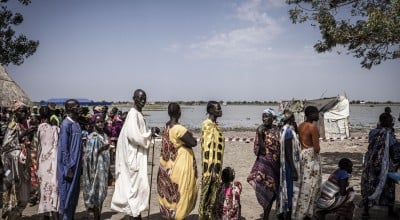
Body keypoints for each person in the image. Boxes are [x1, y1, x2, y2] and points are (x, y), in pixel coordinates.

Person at [111, 89, 160, 220]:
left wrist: (150, 132)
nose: (143, 100)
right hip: (133, 159)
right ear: (134, 98)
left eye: (144, 98)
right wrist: (150, 133)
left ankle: (136, 215)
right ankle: (134, 215)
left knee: (138, 188)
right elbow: (135, 137)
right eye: (140, 98)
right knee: (134, 188)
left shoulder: (137, 114)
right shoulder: (133, 114)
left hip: (136, 157)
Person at [157, 102, 199, 219]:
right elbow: (193, 142)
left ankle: (172, 214)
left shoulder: (166, 126)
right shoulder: (179, 129)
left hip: (168, 165)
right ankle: (180, 216)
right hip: (180, 164)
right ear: (179, 113)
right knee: (182, 191)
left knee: (171, 192)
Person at [361, 112, 400, 219]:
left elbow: (372, 144)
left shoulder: (373, 132)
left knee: (369, 186)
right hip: (384, 165)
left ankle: (365, 211)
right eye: (391, 121)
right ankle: (390, 212)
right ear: (389, 122)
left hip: (370, 163)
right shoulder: (389, 135)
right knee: (389, 187)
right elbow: (395, 151)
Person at [1, 101, 34, 219]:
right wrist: (23, 135)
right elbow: (6, 145)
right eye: (21, 111)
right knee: (13, 191)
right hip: (11, 165)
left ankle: (17, 213)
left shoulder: (23, 125)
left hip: (21, 165)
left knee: (23, 192)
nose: (24, 114)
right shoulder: (12, 125)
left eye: (25, 111)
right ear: (15, 113)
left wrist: (28, 136)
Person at [247, 108, 280, 220]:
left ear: (272, 118)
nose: (264, 118)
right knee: (267, 190)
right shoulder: (260, 130)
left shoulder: (277, 130)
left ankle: (269, 214)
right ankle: (266, 216)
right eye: (263, 116)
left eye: (267, 116)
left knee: (274, 192)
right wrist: (260, 135)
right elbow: (260, 151)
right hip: (264, 165)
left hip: (276, 166)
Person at [198, 101, 225, 220]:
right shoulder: (207, 125)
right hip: (211, 169)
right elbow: (209, 149)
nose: (220, 110)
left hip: (216, 167)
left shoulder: (215, 125)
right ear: (210, 111)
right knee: (207, 197)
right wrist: (213, 170)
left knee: (212, 197)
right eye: (218, 109)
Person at [56, 99, 83, 220]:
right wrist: (68, 168)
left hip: (76, 166)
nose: (80, 108)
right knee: (67, 196)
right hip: (69, 168)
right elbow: (63, 149)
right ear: (70, 109)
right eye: (77, 106)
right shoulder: (66, 125)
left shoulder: (76, 124)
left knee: (74, 196)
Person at [82, 113, 111, 220]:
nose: (100, 124)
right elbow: (88, 156)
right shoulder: (92, 137)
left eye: (101, 121)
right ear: (94, 124)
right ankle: (93, 216)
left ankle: (98, 215)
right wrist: (101, 149)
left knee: (102, 193)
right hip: (94, 171)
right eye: (97, 122)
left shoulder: (105, 135)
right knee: (94, 193)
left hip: (103, 169)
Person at [295, 105, 322, 220]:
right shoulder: (313, 127)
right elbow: (316, 148)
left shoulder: (300, 126)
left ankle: (301, 210)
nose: (318, 115)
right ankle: (307, 213)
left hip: (302, 154)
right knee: (312, 185)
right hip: (311, 157)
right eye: (316, 113)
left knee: (303, 184)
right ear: (310, 114)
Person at [37, 105, 60, 219]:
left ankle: (46, 212)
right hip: (54, 161)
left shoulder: (39, 128)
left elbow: (38, 147)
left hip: (43, 161)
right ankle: (54, 211)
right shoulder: (55, 129)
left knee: (44, 186)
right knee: (53, 185)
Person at [277, 110, 300, 220]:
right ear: (291, 119)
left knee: (285, 187)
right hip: (289, 164)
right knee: (290, 188)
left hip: (286, 163)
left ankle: (282, 213)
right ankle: (288, 214)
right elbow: (288, 151)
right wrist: (294, 169)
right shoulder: (288, 131)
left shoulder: (283, 129)